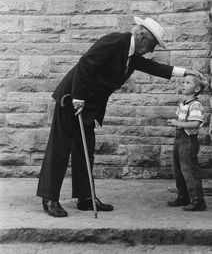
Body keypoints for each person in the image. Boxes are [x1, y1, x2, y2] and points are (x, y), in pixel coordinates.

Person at [37, 16, 195, 217]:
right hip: (71, 100)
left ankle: (85, 198)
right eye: (153, 45)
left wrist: (185, 72)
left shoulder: (130, 55)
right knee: (59, 148)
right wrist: (77, 97)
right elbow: (85, 63)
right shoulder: (116, 41)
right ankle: (49, 198)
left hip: (88, 107)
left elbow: (153, 67)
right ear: (142, 36)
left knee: (84, 151)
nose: (153, 50)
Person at [167, 72, 208, 211]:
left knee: (189, 170)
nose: (183, 85)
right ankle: (183, 197)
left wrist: (176, 123)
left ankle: (198, 201)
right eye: (183, 82)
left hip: (188, 141)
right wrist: (176, 122)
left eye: (188, 83)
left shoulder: (195, 105)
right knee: (178, 169)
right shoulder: (182, 104)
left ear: (196, 89)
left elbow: (195, 124)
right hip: (179, 139)